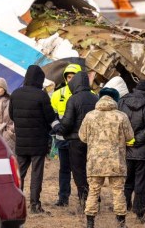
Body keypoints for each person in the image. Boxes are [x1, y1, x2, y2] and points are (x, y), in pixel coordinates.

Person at [79, 88, 134, 228]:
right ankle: (121, 223)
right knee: (118, 191)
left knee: (93, 191)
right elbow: (130, 137)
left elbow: (82, 137)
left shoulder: (90, 116)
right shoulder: (121, 116)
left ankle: (90, 223)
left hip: (95, 162)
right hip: (116, 161)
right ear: (115, 99)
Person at [9, 64, 58, 215]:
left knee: (20, 174)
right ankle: (35, 205)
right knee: (36, 174)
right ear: (39, 79)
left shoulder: (16, 94)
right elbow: (49, 117)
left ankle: (16, 205)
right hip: (38, 142)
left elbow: (11, 115)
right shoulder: (41, 95)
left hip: (22, 142)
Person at [119, 79, 145, 224]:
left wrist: (129, 139)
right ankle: (140, 213)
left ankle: (122, 208)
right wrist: (136, 140)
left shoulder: (123, 102)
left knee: (126, 181)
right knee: (142, 183)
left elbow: (118, 122)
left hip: (126, 149)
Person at [57, 69, 98, 213]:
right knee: (92, 171)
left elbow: (67, 123)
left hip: (76, 141)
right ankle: (95, 198)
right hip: (94, 141)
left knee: (78, 170)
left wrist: (60, 131)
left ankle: (84, 199)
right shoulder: (95, 98)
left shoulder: (73, 99)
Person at [50, 63, 82, 207]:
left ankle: (84, 197)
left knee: (81, 169)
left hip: (80, 140)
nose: (71, 80)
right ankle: (63, 198)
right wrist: (57, 128)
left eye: (74, 77)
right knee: (64, 170)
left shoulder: (89, 95)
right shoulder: (57, 94)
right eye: (69, 77)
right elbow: (52, 115)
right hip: (62, 139)